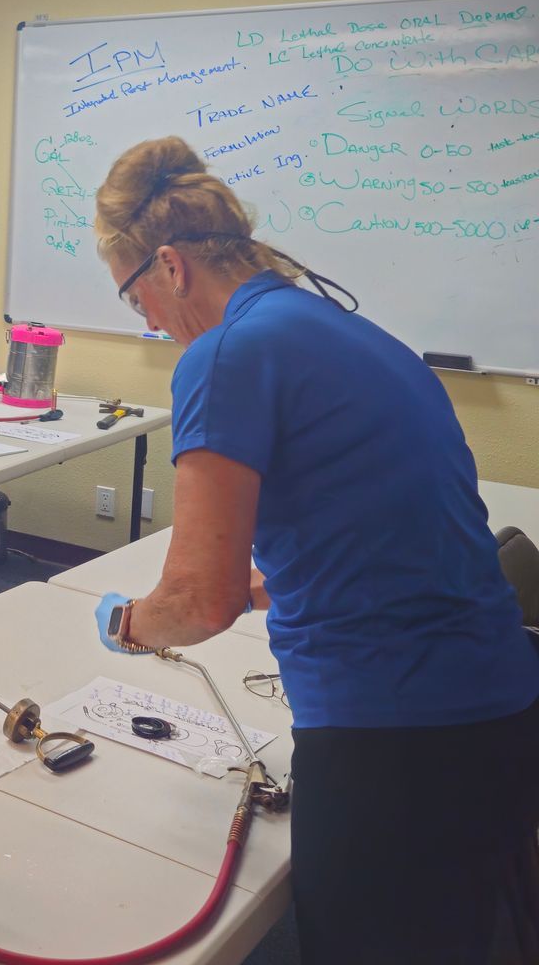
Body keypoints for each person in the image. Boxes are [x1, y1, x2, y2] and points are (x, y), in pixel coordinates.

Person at [88, 136, 539, 965]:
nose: (147, 320)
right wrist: (272, 585)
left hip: (396, 741)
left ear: (170, 265)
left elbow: (196, 603)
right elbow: (380, 521)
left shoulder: (225, 355)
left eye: (135, 295)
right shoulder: (340, 330)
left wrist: (126, 625)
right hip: (496, 708)